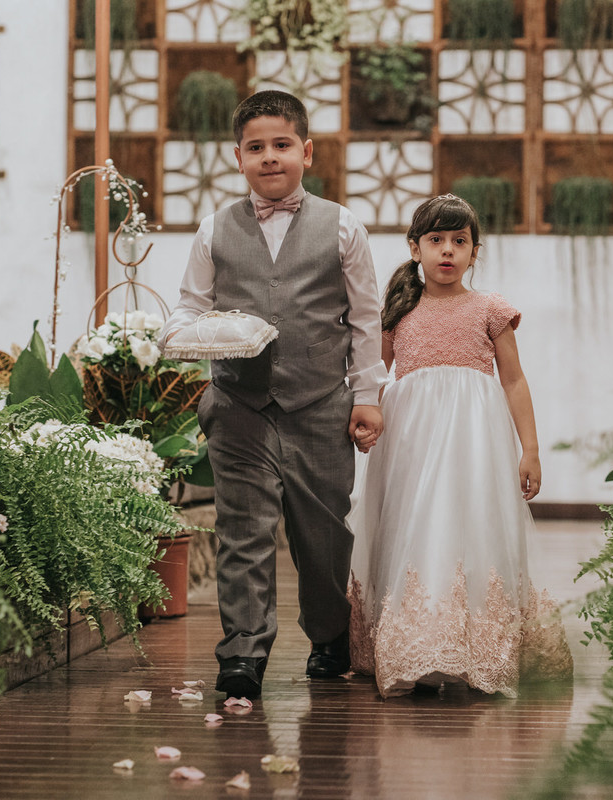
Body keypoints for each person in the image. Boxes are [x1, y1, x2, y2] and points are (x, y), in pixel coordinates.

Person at [160, 90, 386, 699]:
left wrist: (368, 397)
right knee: (243, 532)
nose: (269, 157)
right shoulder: (214, 229)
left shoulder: (342, 226)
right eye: (255, 147)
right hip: (239, 406)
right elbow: (190, 306)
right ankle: (243, 653)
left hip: (320, 406)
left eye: (281, 145)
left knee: (322, 537)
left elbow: (366, 321)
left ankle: (329, 636)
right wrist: (186, 335)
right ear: (238, 157)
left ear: (306, 152)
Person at [347, 194, 573, 698]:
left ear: (474, 251)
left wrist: (529, 448)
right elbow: (374, 378)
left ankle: (477, 646)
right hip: (410, 441)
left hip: (475, 439)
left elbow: (514, 381)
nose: (447, 251)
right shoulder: (397, 309)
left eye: (459, 241)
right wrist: (367, 418)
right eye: (436, 240)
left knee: (473, 521)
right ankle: (419, 642)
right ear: (415, 248)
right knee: (415, 522)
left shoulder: (490, 310)